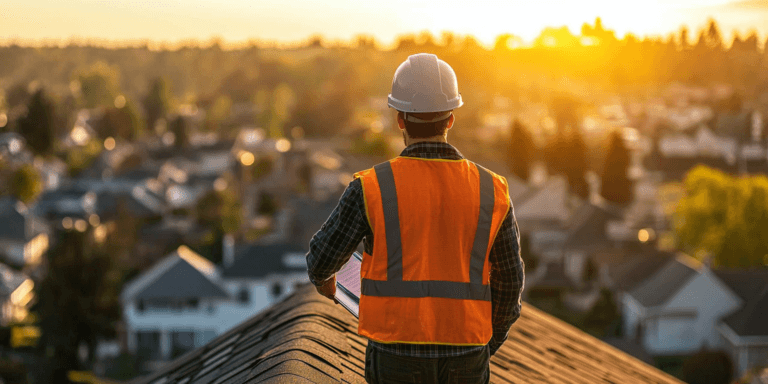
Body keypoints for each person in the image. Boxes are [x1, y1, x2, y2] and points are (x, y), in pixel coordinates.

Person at [306, 53, 524, 384]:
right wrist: (484, 343)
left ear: (400, 120)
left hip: (395, 356)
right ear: (451, 119)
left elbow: (321, 260)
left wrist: (326, 283)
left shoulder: (372, 187)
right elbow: (510, 282)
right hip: (467, 355)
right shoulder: (492, 190)